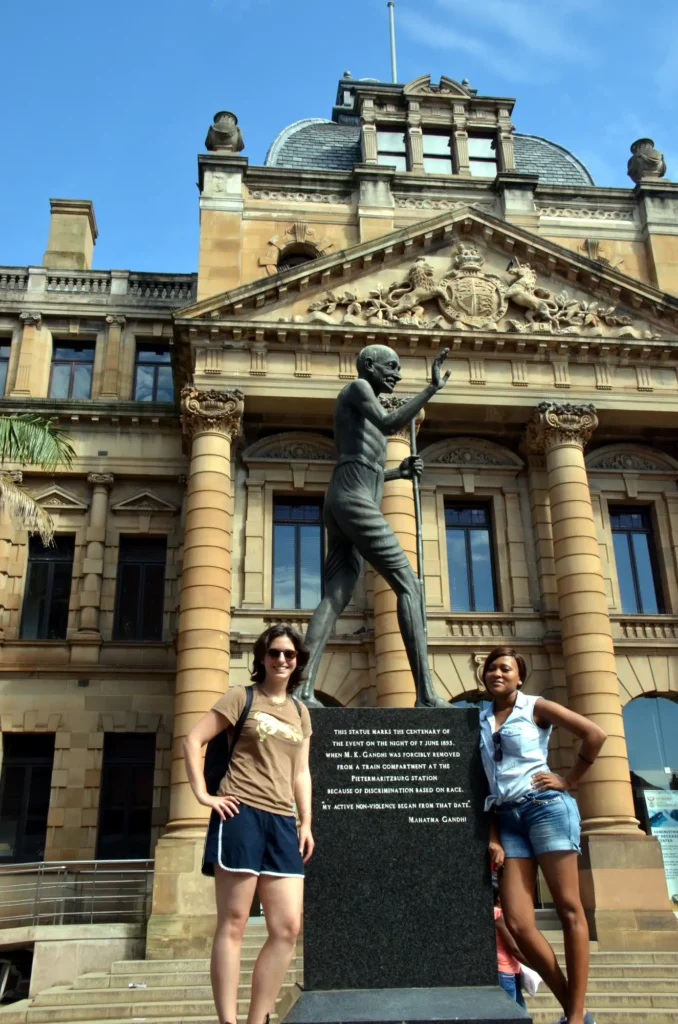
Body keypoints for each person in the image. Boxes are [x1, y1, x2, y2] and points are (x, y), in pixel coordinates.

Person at [295, 343, 451, 708]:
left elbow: (367, 464)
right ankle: (426, 694)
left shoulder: (363, 401)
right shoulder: (359, 388)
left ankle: (301, 688)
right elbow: (388, 422)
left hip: (346, 495)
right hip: (353, 499)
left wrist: (399, 472)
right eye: (391, 367)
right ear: (369, 365)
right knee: (409, 584)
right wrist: (429, 390)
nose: (396, 374)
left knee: (336, 595)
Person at [183, 625, 314, 1024]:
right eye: (274, 653)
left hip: (281, 821)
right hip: (239, 814)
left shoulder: (300, 711)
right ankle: (228, 1021)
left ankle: (259, 1019)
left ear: (298, 662)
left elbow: (301, 771)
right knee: (234, 922)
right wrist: (204, 795)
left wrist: (306, 820)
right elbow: (192, 739)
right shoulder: (242, 697)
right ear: (262, 658)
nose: (281, 660)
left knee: (287, 928)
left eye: (289, 655)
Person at [479, 646, 607, 1024]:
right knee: (518, 922)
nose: (497, 673)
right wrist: (493, 834)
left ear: (520, 677)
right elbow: (481, 782)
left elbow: (594, 734)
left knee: (569, 909)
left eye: (505, 669)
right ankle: (574, 1010)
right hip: (508, 819)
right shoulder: (480, 719)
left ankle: (576, 1013)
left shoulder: (535, 706)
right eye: (491, 668)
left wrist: (569, 779)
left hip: (545, 808)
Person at [494, 885, 526, 1010]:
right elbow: (513, 948)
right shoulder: (498, 914)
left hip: (511, 971)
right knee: (512, 1013)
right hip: (505, 973)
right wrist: (536, 966)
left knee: (521, 1013)